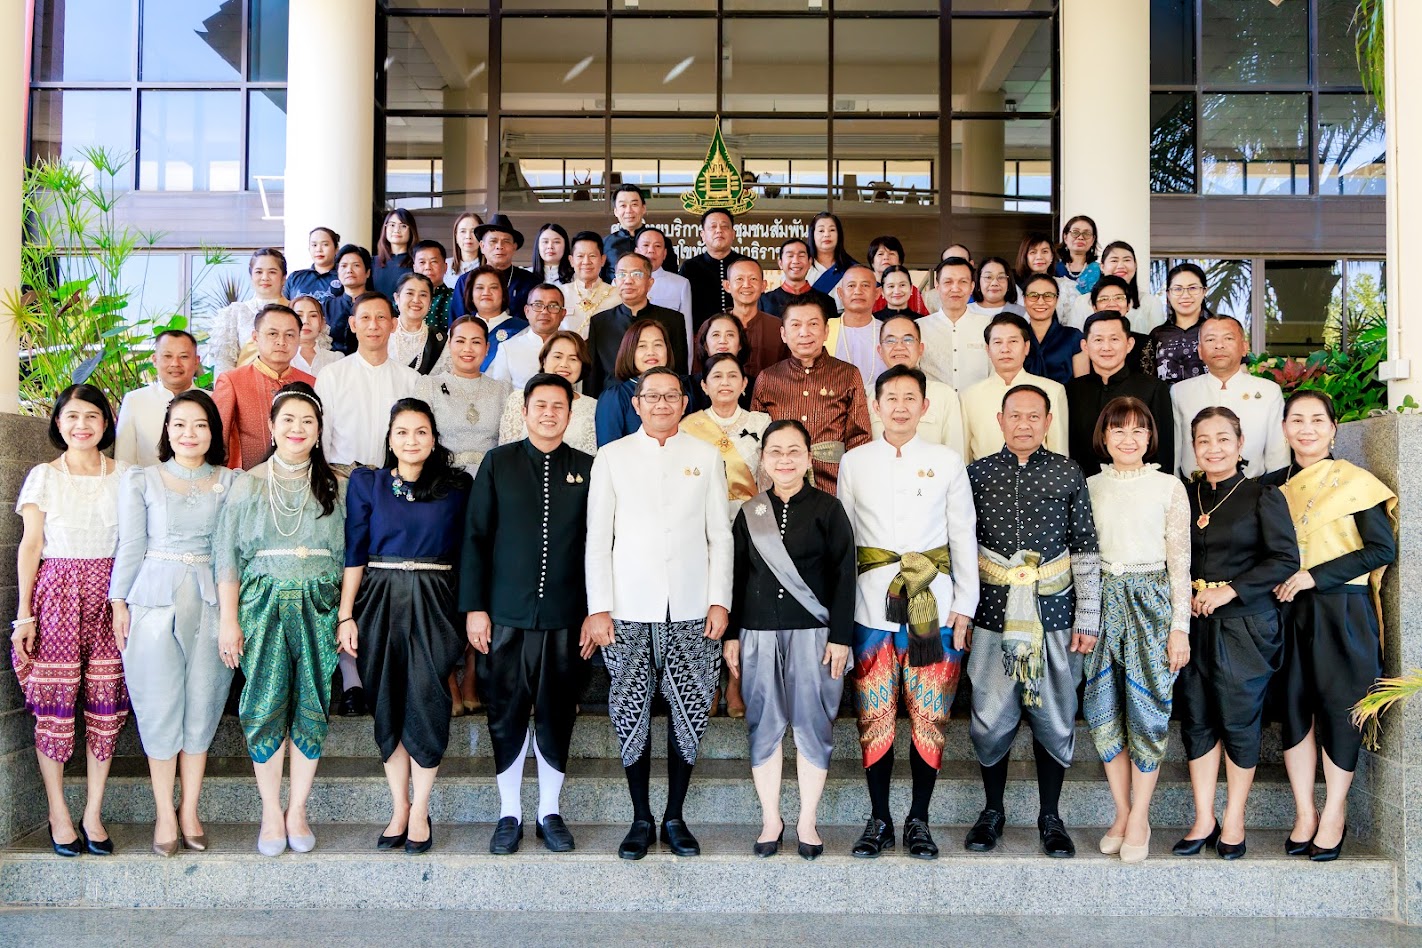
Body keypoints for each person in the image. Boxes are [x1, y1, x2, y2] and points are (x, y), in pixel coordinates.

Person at [585, 367, 734, 860]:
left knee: (689, 710)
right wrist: (599, 607)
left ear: (685, 402)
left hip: (693, 606)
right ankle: (640, 818)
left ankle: (674, 816)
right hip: (628, 606)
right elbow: (597, 538)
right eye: (652, 396)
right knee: (631, 711)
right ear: (637, 404)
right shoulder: (612, 457)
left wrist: (720, 599)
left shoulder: (706, 456)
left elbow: (720, 535)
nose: (662, 404)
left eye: (672, 396)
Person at [837, 366, 978, 860]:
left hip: (933, 606)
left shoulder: (946, 460)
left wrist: (965, 606)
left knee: (930, 715)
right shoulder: (854, 461)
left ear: (925, 406)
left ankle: (919, 819)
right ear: (875, 406)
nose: (900, 407)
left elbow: (962, 535)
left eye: (909, 398)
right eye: (891, 398)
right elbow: (846, 539)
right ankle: (879, 818)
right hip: (870, 607)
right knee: (873, 716)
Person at [964, 384, 1101, 859]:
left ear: (1048, 421)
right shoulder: (977, 474)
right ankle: (992, 811)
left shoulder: (1067, 471)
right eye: (1015, 415)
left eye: (1033, 416)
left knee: (1055, 712)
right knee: (989, 715)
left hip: (1056, 612)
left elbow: (1084, 545)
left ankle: (1050, 817)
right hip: (991, 613)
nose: (1024, 424)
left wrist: (1089, 614)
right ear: (999, 420)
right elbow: (962, 545)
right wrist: (961, 611)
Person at [463, 373, 596, 855]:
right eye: (540, 405)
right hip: (505, 614)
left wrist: (594, 611)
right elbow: (476, 537)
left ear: (570, 413)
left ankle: (549, 812)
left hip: (566, 616)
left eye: (558, 406)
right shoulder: (498, 463)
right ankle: (510, 813)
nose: (548, 414)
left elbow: (598, 545)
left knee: (558, 713)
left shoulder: (587, 467)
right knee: (506, 713)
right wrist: (475, 608)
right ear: (524, 411)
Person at [215, 382, 346, 857]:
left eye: (307, 421)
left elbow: (348, 556)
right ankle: (271, 811)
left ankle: (298, 810)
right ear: (271, 427)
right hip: (261, 604)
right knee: (264, 703)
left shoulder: (337, 485)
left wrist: (344, 613)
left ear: (319, 431)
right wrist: (228, 621)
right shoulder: (246, 483)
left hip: (319, 605)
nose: (297, 428)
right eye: (288, 420)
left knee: (312, 703)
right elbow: (226, 557)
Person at [1264, 391, 1396, 862]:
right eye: (1297, 420)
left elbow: (1381, 549)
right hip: (1287, 611)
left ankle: (1334, 812)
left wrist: (1314, 576)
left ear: (1333, 428)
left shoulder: (1357, 483)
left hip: (1342, 610)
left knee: (1341, 711)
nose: (1307, 429)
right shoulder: (1270, 487)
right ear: (1284, 428)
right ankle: (1305, 812)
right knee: (1294, 710)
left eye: (1317, 420)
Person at [338, 399, 471, 856]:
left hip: (436, 599)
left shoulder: (456, 487)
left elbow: (469, 552)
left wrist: (471, 609)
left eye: (421, 432)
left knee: (428, 700)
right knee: (386, 701)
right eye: (402, 432)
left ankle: (421, 809)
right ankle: (399, 807)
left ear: (433, 439)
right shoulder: (367, 483)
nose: (411, 440)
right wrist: (346, 614)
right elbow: (354, 551)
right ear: (390, 439)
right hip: (378, 599)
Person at [110, 390, 237, 856]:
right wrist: (118, 601)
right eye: (180, 424)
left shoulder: (231, 481)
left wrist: (233, 616)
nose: (189, 434)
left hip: (211, 603)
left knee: (203, 703)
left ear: (213, 432)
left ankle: (190, 810)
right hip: (153, 600)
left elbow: (232, 551)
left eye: (200, 425)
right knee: (159, 705)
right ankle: (164, 811)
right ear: (166, 430)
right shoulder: (142, 479)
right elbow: (130, 545)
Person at [724, 419, 856, 860]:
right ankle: (771, 820)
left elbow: (845, 577)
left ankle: (807, 821)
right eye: (775, 452)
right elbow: (737, 577)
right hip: (757, 634)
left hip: (815, 636)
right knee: (763, 724)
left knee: (813, 725)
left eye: (793, 451)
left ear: (808, 457)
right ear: (763, 459)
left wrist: (840, 637)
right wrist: (732, 635)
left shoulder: (828, 509)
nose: (784, 460)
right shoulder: (750, 512)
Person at [1173, 406, 1298, 861]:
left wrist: (1230, 590)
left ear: (1240, 444)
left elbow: (1285, 560)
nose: (1213, 449)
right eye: (1203, 440)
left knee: (1239, 721)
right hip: (1192, 625)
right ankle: (1203, 817)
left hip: (1246, 625)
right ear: (1193, 446)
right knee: (1197, 719)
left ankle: (1234, 819)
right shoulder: (1184, 495)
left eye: (1223, 439)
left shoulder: (1262, 495)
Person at [11, 385, 129, 857]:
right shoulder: (43, 476)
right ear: (58, 423)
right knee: (55, 706)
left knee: (106, 704)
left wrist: (124, 600)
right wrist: (23, 615)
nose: (82, 425)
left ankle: (93, 813)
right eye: (72, 416)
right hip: (56, 596)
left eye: (92, 416)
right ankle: (58, 813)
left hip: (111, 596)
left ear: (106, 423)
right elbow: (30, 546)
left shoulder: (126, 475)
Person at [1080, 397, 1191, 864]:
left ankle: (1141, 817)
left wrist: (1180, 628)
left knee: (1148, 712)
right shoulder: (1088, 486)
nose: (1129, 439)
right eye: (1118, 430)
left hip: (1152, 604)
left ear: (1150, 437)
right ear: (1104, 437)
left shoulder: (1169, 487)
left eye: (1138, 430)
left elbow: (1180, 563)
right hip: (1102, 603)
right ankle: (1122, 813)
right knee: (1103, 711)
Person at [750, 297, 872, 495]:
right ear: (783, 334)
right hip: (780, 487)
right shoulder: (768, 379)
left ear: (826, 331)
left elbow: (860, 439)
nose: (804, 332)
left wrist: (855, 489)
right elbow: (755, 441)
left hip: (834, 487)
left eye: (813, 324)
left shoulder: (848, 375)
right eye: (795, 325)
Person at [316, 292, 422, 475]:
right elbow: (322, 436)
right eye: (365, 318)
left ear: (393, 325)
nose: (373, 325)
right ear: (353, 324)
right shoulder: (331, 375)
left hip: (392, 479)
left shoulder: (411, 380)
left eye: (381, 317)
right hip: (341, 478)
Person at [1170, 314, 1287, 478]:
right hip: (1194, 489)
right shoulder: (1180, 392)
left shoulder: (1269, 392)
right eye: (1210, 340)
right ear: (1200, 351)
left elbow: (1278, 456)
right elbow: (1174, 452)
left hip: (1252, 489)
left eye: (1228, 338)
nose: (1219, 345)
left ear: (1244, 347)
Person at [1065, 311, 1175, 475]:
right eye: (1098, 340)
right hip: (1083, 483)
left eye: (1114, 339)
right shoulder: (1071, 390)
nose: (1106, 347)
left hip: (1139, 483)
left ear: (1129, 344)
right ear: (1085, 346)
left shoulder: (1153, 388)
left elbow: (1163, 449)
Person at [213, 304, 316, 471]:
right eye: (272, 334)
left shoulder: (311, 383)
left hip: (302, 478)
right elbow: (217, 440)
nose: (281, 342)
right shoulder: (232, 381)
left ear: (299, 339)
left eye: (290, 335)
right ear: (255, 337)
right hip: (245, 479)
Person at [960, 313, 1069, 463]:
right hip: (984, 477)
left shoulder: (1053, 391)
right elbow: (965, 457)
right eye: (998, 342)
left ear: (1026, 347)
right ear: (988, 349)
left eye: (1013, 341)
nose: (1005, 349)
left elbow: (1059, 453)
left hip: (1040, 476)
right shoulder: (969, 396)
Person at [415, 316, 513, 474]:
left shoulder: (503, 390)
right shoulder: (429, 386)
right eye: (460, 341)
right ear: (449, 344)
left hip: (492, 477)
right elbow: (418, 437)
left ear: (487, 348)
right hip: (442, 477)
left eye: (476, 342)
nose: (467, 349)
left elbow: (510, 445)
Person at [681, 352, 771, 519]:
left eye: (732, 376)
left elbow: (768, 480)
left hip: (751, 516)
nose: (725, 382)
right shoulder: (688, 427)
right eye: (717, 376)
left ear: (744, 384)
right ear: (704, 385)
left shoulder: (761, 423)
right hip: (703, 516)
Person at [586, 252, 689, 396]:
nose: (628, 281)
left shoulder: (673, 320)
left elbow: (680, 371)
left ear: (650, 282)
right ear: (615, 282)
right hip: (614, 400)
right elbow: (593, 376)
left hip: (659, 400)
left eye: (636, 274)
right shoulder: (600, 322)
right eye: (622, 275)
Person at [868, 315, 965, 455]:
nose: (899, 347)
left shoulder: (944, 395)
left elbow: (955, 453)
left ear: (920, 348)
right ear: (880, 350)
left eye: (908, 340)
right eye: (890, 341)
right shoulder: (865, 395)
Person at [499, 331, 600, 457]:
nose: (564, 364)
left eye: (573, 359)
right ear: (544, 360)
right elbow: (506, 453)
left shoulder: (594, 407)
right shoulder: (519, 399)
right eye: (557, 357)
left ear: (582, 365)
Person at [114, 330, 200, 466]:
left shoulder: (214, 400)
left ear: (196, 361)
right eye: (167, 356)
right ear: (154, 360)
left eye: (183, 356)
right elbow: (123, 460)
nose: (175, 363)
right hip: (146, 479)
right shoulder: (135, 400)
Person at [207, 248, 289, 375]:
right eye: (259, 272)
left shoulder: (297, 311)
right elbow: (224, 362)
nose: (265, 277)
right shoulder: (235, 313)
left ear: (283, 278)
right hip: (244, 383)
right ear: (251, 276)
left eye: (272, 272)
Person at [595, 319, 676, 447]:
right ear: (630, 351)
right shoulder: (615, 397)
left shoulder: (681, 391)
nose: (651, 352)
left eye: (658, 344)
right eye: (642, 346)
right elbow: (608, 450)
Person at [918, 257, 991, 390]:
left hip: (978, 401)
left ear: (972, 287)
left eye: (963, 282)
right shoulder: (919, 327)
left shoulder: (988, 325)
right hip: (935, 402)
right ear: (937, 286)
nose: (955, 288)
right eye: (948, 282)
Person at [450, 214, 538, 323]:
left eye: (506, 241)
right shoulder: (466, 280)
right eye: (493, 241)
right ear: (482, 246)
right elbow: (456, 323)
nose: (499, 246)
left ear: (514, 247)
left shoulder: (530, 281)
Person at [1067, 241, 1165, 334]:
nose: (1120, 266)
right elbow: (1074, 340)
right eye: (1114, 260)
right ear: (1102, 267)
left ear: (1135, 265)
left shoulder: (1151, 303)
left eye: (1127, 260)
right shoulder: (1082, 302)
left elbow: (1157, 341)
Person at [719, 257, 788, 386]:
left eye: (753, 279)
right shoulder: (713, 327)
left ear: (763, 285)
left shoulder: (778, 328)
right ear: (727, 286)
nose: (746, 285)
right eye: (739, 279)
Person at [486, 283, 567, 389]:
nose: (545, 311)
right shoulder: (508, 348)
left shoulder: (573, 348)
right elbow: (500, 393)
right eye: (538, 305)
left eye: (552, 306)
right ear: (527, 311)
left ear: (563, 314)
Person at [681, 209, 750, 329]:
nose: (719, 230)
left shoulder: (747, 265)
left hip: (743, 332)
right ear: (703, 235)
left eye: (724, 226)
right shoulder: (690, 267)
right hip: (702, 334)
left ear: (733, 234)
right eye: (713, 227)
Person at [1142, 263, 1209, 384]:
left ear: (1204, 291)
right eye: (1178, 289)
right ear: (1168, 294)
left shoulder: (1220, 329)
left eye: (1193, 288)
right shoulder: (1158, 335)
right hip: (1166, 397)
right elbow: (1147, 379)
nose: (1185, 295)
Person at [459, 264, 529, 373]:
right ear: (471, 295)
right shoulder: (459, 329)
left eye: (493, 287)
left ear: (503, 294)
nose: (486, 292)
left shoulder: (523, 330)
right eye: (480, 288)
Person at [828, 265, 888, 387]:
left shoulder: (888, 332)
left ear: (877, 293)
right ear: (840, 293)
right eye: (851, 286)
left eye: (865, 285)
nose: (858, 291)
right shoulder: (824, 329)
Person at [1023, 273, 1088, 387]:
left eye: (1048, 295)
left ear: (1057, 300)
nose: (1041, 301)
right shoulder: (1017, 338)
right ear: (1024, 300)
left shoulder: (1074, 337)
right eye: (1033, 295)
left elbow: (1083, 386)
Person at [604, 183, 674, 280]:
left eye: (634, 204)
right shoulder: (606, 244)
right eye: (623, 205)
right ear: (616, 211)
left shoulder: (661, 241)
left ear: (643, 208)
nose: (629, 210)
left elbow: (671, 277)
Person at [639, 226, 694, 343]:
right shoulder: (620, 282)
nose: (651, 250)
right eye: (645, 245)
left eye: (657, 246)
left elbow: (686, 331)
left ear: (664, 254)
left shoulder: (680, 284)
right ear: (636, 251)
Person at [762, 237, 837, 321]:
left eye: (801, 256)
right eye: (790, 256)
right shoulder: (764, 301)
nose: (796, 261)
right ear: (780, 263)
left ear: (810, 262)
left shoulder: (827, 302)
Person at [390, 273, 450, 376]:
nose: (416, 300)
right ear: (397, 298)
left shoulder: (440, 341)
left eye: (423, 295)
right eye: (410, 293)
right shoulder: (382, 333)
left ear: (430, 302)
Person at [688, 314, 750, 413]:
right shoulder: (687, 386)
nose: (723, 341)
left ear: (740, 344)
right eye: (716, 335)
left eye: (730, 335)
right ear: (705, 345)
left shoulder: (754, 385)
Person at [561, 230, 618, 333]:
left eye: (592, 256)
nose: (586, 262)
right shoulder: (560, 294)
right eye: (580, 256)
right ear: (571, 260)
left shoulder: (617, 295)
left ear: (602, 260)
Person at [326, 244, 374, 355]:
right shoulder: (328, 306)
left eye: (356, 265)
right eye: (343, 266)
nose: (349, 270)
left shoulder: (379, 304)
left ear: (367, 272)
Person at [865, 235, 928, 316]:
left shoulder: (912, 291)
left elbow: (923, 319)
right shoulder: (865, 290)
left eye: (891, 253)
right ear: (872, 261)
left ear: (900, 261)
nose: (886, 257)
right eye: (880, 254)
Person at [283, 226, 342, 306]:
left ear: (336, 249)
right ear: (309, 249)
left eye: (325, 244)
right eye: (314, 245)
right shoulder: (295, 277)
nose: (319, 249)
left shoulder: (344, 277)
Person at [807, 211, 855, 309]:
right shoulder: (803, 268)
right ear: (813, 235)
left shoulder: (852, 269)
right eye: (821, 231)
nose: (826, 234)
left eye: (832, 230)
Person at [290, 295, 344, 377]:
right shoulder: (280, 359)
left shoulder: (336, 359)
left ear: (322, 323)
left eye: (313, 316)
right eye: (299, 315)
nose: (305, 321)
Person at [372, 208, 418, 298]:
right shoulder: (373, 262)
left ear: (411, 230)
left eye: (403, 226)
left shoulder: (417, 262)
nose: (396, 230)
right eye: (392, 225)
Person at [411, 239, 455, 331]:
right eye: (422, 262)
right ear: (414, 268)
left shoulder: (455, 298)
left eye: (434, 262)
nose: (428, 267)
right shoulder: (405, 298)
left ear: (445, 267)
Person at [1054, 214, 1101, 299]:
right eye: (1075, 232)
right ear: (1065, 237)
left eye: (1087, 233)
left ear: (1093, 240)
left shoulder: (1100, 270)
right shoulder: (1054, 269)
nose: (1080, 237)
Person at [531, 223, 574, 287]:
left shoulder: (576, 277)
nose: (550, 246)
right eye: (545, 242)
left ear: (565, 245)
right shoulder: (525, 276)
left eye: (556, 242)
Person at [449, 211, 485, 282]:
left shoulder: (490, 268)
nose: (468, 236)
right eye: (463, 231)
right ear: (456, 236)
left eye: (473, 231)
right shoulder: (444, 267)